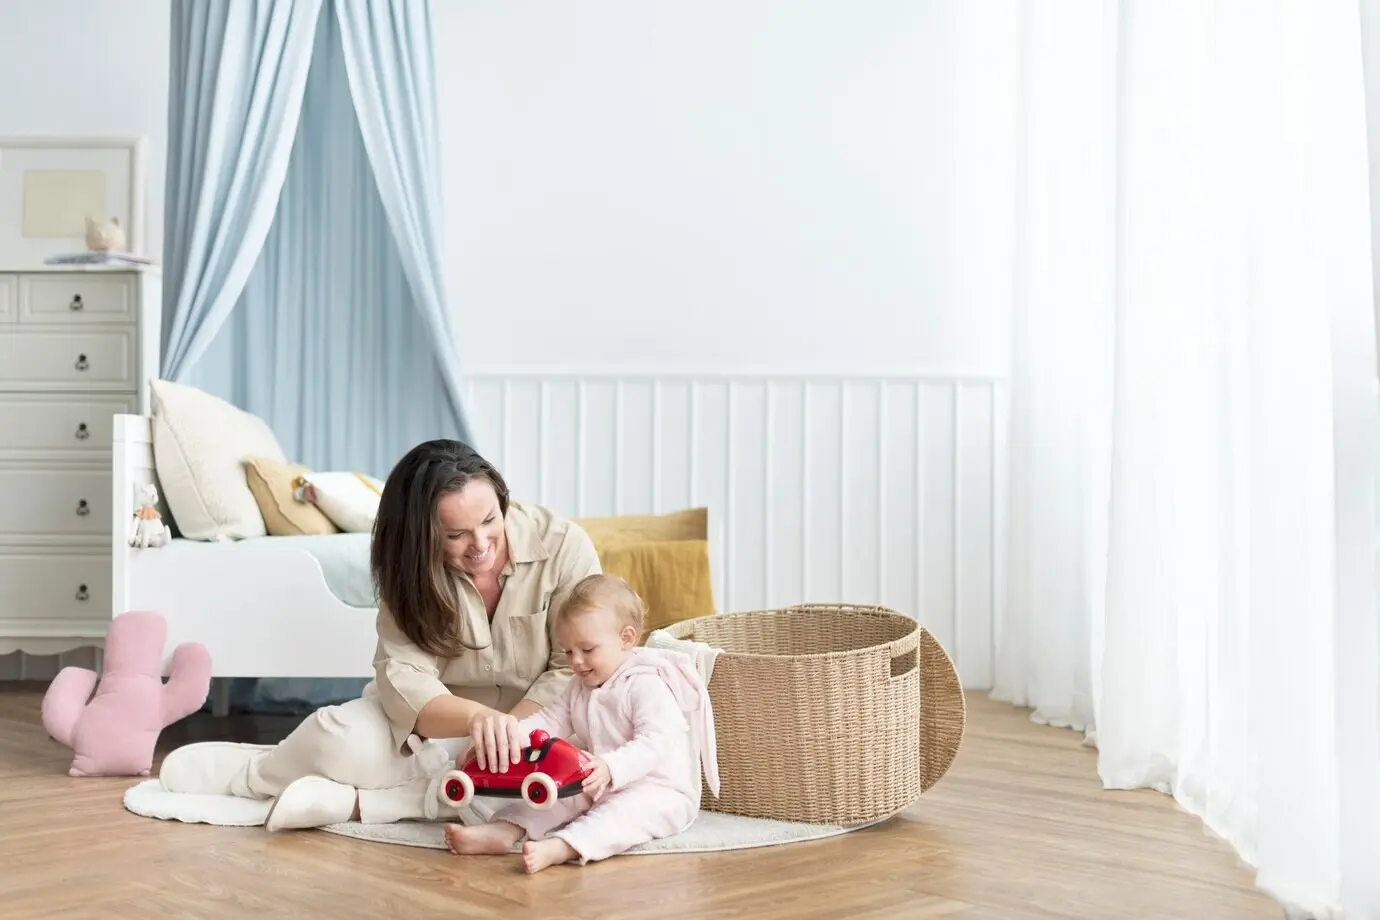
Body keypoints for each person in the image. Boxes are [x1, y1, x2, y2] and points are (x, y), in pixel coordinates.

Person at [156, 439, 602, 831]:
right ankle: (256, 775)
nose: (481, 544)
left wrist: (513, 734)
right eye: (456, 535)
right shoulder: (409, 567)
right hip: (439, 729)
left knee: (581, 777)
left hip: (541, 728)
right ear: (423, 535)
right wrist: (476, 723)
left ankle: (361, 804)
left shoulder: (563, 545)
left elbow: (573, 667)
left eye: (490, 519)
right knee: (339, 735)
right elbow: (405, 678)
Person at [443, 573, 720, 873]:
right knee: (554, 796)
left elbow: (657, 738)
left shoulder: (646, 684)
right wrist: (510, 736)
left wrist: (612, 767)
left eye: (587, 650)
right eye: (568, 651)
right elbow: (550, 721)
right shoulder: (580, 686)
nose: (575, 661)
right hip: (598, 777)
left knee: (619, 816)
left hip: (658, 790)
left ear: (626, 639)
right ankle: (503, 830)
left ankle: (562, 846)